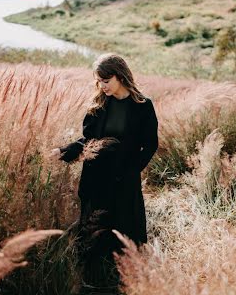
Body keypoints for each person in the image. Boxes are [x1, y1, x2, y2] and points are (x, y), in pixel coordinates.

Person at [50, 53, 158, 256]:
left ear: (120, 76)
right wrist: (63, 151)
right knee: (94, 230)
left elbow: (151, 145)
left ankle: (122, 272)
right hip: (96, 175)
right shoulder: (99, 104)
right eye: (99, 81)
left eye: (106, 81)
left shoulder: (143, 106)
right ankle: (93, 271)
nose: (102, 86)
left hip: (123, 177)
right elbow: (88, 141)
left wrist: (132, 171)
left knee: (124, 231)